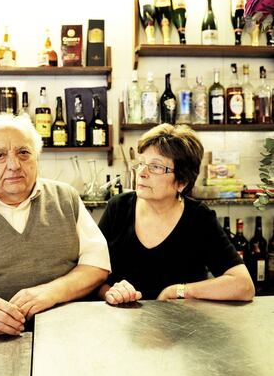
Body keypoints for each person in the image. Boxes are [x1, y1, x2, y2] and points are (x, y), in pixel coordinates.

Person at [0, 115, 110, 335]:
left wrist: (51, 292)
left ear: (37, 158)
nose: (14, 165)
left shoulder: (66, 199)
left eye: (23, 153)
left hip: (70, 334)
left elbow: (97, 266)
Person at [98, 123, 255, 305]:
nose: (141, 173)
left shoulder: (198, 218)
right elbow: (92, 276)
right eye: (141, 163)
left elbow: (244, 285)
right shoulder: (118, 208)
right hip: (123, 326)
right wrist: (111, 293)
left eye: (155, 167)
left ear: (182, 182)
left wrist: (178, 291)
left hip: (181, 328)